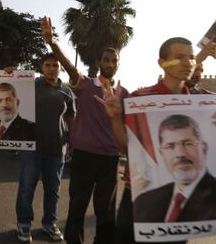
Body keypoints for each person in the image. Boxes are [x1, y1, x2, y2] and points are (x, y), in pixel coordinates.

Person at [96, 37, 216, 244]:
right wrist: (115, 119)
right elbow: (126, 147)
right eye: (179, 57)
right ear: (162, 63)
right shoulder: (140, 99)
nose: (188, 63)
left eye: (191, 58)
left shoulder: (204, 103)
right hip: (136, 192)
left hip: (183, 210)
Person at [41, 16, 129, 244]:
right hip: (83, 156)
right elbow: (69, 65)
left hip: (110, 159)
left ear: (118, 64)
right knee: (77, 208)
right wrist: (52, 42)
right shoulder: (85, 85)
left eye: (114, 60)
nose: (110, 63)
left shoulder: (124, 94)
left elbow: (132, 128)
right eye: (106, 60)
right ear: (99, 62)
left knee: (106, 213)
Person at [14, 53, 76, 242]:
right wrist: (9, 74)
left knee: (53, 190)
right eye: (48, 65)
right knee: (27, 187)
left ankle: (50, 223)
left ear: (60, 68)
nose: (51, 68)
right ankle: (24, 224)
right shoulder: (32, 85)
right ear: (42, 67)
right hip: (32, 147)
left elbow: (71, 118)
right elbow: (12, 87)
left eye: (55, 65)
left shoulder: (67, 92)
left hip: (57, 149)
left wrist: (73, 141)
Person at [133, 114, 216, 222]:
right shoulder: (145, 201)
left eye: (188, 143)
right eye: (170, 146)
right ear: (161, 153)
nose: (180, 153)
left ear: (204, 149)